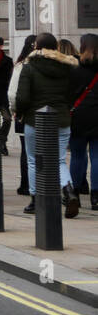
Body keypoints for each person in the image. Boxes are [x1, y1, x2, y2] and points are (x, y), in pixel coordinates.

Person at [12, 32, 81, 218]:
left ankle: (35, 200)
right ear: (55, 48)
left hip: (35, 119)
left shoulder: (29, 67)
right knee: (58, 159)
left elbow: (23, 97)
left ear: (36, 47)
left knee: (34, 159)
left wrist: (20, 110)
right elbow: (72, 93)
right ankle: (68, 191)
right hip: (61, 118)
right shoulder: (67, 67)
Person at [69, 34, 98, 210]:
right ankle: (96, 197)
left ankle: (75, 194)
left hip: (78, 116)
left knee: (77, 156)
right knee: (97, 156)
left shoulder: (73, 67)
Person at [8, 35, 37, 195]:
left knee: (27, 151)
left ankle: (27, 185)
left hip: (25, 113)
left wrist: (15, 110)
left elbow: (12, 93)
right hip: (46, 114)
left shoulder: (20, 66)